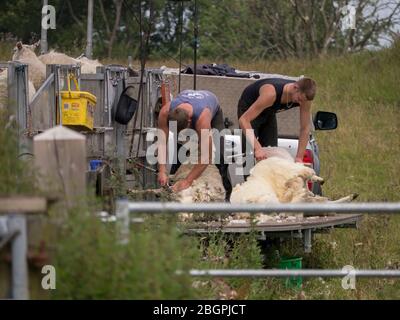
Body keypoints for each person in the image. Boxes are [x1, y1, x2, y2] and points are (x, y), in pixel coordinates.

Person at [157, 89, 231, 197]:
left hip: (212, 111)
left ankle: (226, 197)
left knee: (220, 155)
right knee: (180, 151)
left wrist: (188, 181)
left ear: (189, 122)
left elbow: (206, 157)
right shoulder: (164, 112)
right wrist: (162, 170)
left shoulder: (202, 119)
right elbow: (162, 143)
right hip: (190, 110)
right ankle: (173, 184)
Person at [238, 77, 316, 163]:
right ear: (295, 88)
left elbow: (305, 128)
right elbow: (244, 120)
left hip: (269, 111)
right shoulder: (270, 93)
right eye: (299, 99)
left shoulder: (304, 98)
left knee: (272, 156)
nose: (301, 103)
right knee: (250, 155)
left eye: (303, 101)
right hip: (249, 109)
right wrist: (257, 148)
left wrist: (299, 157)